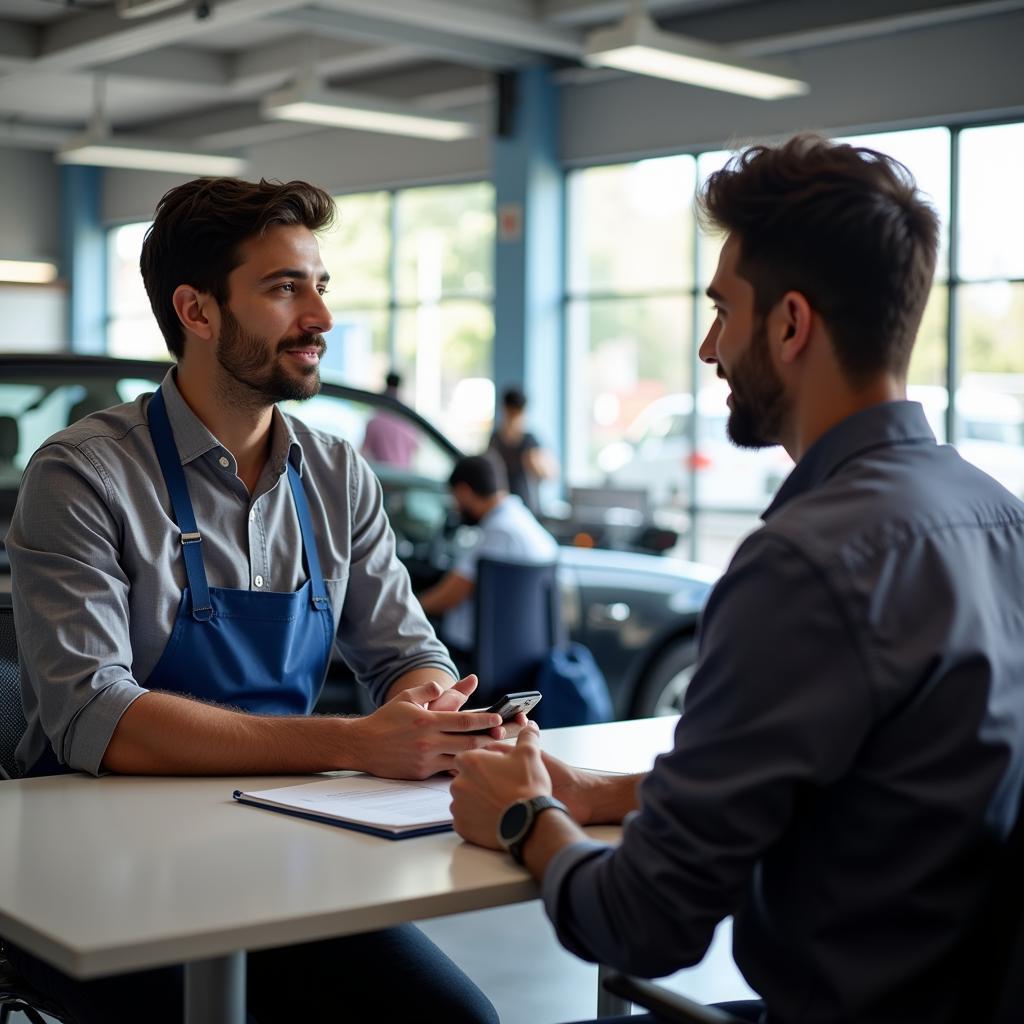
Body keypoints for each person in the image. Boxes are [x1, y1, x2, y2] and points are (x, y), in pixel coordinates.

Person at [449, 134, 1024, 1024]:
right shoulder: (998, 517)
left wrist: (526, 817)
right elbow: (871, 776)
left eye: (724, 310)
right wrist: (602, 795)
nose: (712, 347)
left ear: (791, 325)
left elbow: (642, 924)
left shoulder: (803, 561)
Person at [5, 177, 505, 1023]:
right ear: (196, 312)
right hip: (99, 870)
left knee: (456, 1021)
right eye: (284, 288)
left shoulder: (339, 473)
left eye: (319, 285)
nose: (320, 318)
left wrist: (423, 718)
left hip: (278, 845)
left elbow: (408, 652)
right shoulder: (82, 474)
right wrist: (357, 743)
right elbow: (99, 715)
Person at [418, 455, 558, 666]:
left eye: (455, 498)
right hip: (519, 659)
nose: (455, 507)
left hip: (468, 658)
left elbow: (450, 596)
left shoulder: (498, 532)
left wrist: (410, 608)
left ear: (464, 491)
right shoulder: (527, 524)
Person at [488, 386, 557, 515]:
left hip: (528, 507)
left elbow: (550, 475)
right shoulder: (495, 439)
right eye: (511, 413)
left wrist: (534, 464)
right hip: (502, 506)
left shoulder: (530, 440)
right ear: (504, 409)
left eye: (517, 413)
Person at [361, 369, 419, 468]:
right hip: (404, 477)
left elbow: (364, 451)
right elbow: (415, 447)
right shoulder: (408, 418)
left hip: (383, 477)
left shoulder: (376, 419)